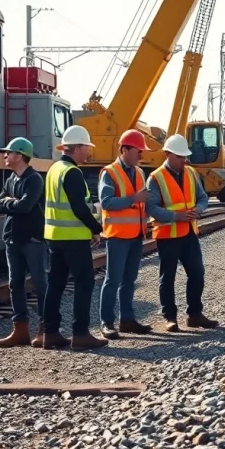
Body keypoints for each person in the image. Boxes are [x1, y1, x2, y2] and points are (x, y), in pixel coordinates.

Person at [41, 125, 108, 350]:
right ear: (77, 147)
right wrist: (96, 228)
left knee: (56, 283)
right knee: (84, 282)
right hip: (73, 238)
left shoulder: (53, 169)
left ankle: (49, 333)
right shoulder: (72, 172)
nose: (88, 152)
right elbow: (79, 207)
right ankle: (80, 334)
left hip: (54, 236)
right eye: (86, 147)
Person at [144, 134, 218, 332]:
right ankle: (170, 317)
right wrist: (176, 216)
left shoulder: (191, 173)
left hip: (188, 233)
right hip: (167, 235)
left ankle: (194, 314)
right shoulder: (156, 178)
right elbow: (151, 208)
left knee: (197, 273)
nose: (184, 160)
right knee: (167, 278)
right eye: (179, 156)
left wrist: (198, 210)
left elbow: (203, 198)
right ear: (168, 154)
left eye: (185, 156)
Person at [98, 129, 154, 339]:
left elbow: (143, 201)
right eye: (138, 151)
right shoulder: (109, 173)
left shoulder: (139, 173)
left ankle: (127, 320)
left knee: (129, 279)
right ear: (124, 150)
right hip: (118, 235)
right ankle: (107, 323)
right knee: (112, 280)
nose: (141, 155)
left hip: (136, 235)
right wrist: (133, 198)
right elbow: (107, 202)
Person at [0, 137, 48, 348]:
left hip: (32, 239)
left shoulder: (34, 180)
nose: (5, 156)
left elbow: (26, 206)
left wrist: (9, 202)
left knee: (39, 283)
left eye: (8, 152)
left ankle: (46, 328)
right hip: (12, 238)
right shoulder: (11, 179)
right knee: (15, 284)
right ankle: (21, 330)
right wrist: (11, 202)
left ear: (20, 155)